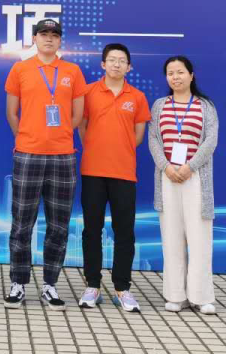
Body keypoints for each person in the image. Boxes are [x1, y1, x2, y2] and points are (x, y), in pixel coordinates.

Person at [3, 18, 87, 310]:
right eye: (43, 34)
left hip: (63, 156)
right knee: (22, 223)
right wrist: (28, 137)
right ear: (35, 39)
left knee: (59, 225)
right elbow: (11, 113)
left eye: (54, 35)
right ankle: (18, 283)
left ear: (60, 40)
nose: (49, 39)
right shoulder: (20, 69)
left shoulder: (72, 71)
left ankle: (50, 284)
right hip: (28, 154)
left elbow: (77, 115)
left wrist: (59, 135)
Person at [77, 43, 151, 311]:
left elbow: (138, 136)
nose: (116, 64)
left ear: (129, 67)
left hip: (124, 173)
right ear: (103, 64)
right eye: (111, 59)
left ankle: (122, 288)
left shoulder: (138, 97)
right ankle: (92, 285)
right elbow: (82, 127)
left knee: (124, 232)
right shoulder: (88, 92)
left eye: (122, 60)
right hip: (93, 171)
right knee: (91, 230)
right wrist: (97, 147)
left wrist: (119, 148)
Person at [147, 55, 219, 314]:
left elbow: (210, 140)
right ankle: (176, 295)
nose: (175, 77)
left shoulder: (205, 106)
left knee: (199, 239)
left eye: (180, 72)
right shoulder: (159, 105)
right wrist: (166, 167)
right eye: (170, 73)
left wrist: (190, 166)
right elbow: (154, 139)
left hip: (195, 178)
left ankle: (201, 296)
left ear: (191, 75)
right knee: (172, 238)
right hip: (167, 178)